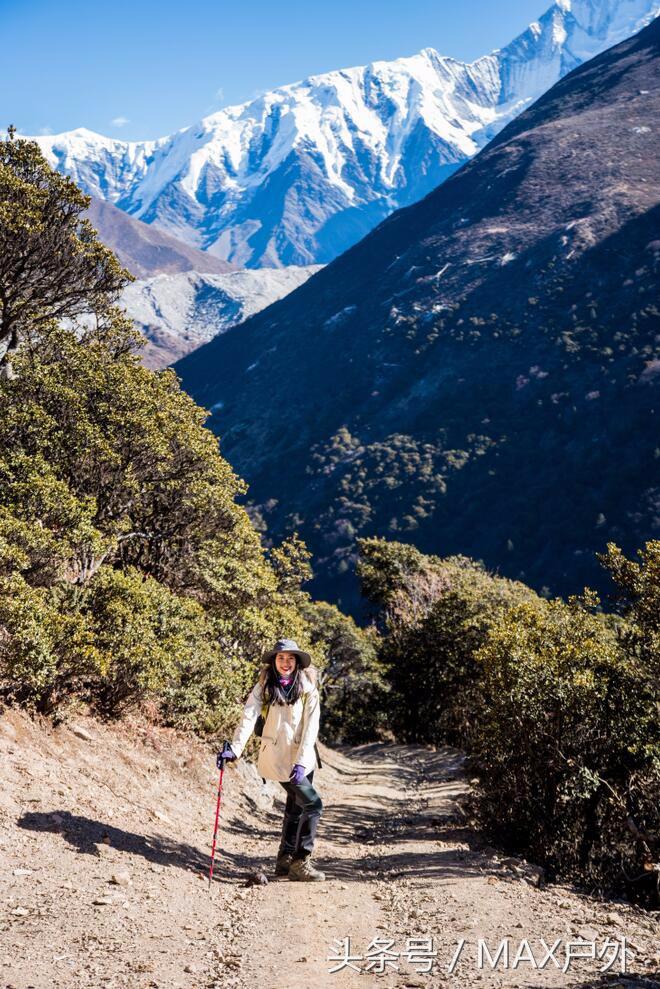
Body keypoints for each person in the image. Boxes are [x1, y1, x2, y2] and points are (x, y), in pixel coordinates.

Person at [218, 638, 325, 882]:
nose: (285, 663)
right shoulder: (264, 687)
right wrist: (235, 749)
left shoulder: (308, 688)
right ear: (274, 661)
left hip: (303, 759)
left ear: (297, 662)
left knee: (296, 806)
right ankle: (301, 861)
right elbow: (248, 717)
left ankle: (285, 860)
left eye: (290, 658)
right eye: (281, 658)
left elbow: (311, 728)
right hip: (277, 759)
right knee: (314, 805)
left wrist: (301, 762)